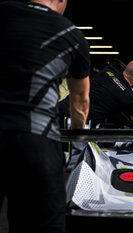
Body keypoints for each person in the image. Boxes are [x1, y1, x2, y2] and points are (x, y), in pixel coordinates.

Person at [0, 0, 90, 232]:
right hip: (35, 140)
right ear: (61, 1)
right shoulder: (70, 32)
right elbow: (79, 101)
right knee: (41, 225)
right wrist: (78, 139)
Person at [60, 60, 133, 128]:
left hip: (60, 108)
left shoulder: (108, 72)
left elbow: (125, 87)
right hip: (74, 122)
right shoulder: (129, 99)